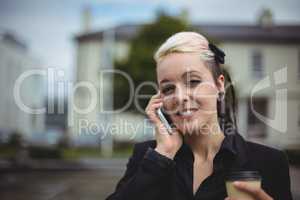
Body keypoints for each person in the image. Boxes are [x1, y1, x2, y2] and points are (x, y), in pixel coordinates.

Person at [106, 32, 293, 200]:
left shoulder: (269, 162)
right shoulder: (147, 157)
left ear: (219, 86)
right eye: (168, 88)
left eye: (193, 81)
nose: (179, 97)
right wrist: (164, 154)